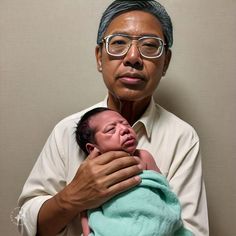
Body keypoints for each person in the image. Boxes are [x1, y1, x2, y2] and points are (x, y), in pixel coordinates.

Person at [17, 1, 209, 235]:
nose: (133, 57)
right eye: (118, 43)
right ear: (100, 58)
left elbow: (192, 230)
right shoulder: (66, 130)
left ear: (165, 62)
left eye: (149, 46)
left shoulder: (182, 137)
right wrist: (72, 198)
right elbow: (28, 223)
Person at [76, 107, 193, 236]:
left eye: (126, 124)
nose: (124, 129)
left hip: (155, 220)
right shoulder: (94, 171)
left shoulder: (144, 156)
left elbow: (163, 189)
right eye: (111, 129)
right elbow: (85, 206)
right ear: (92, 148)